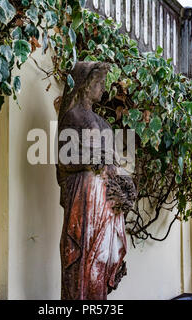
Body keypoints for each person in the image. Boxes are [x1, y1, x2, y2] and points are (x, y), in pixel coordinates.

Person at [56, 61, 136, 299]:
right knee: (85, 258)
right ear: (84, 85)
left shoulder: (103, 123)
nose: (103, 88)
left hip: (106, 200)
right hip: (85, 198)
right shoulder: (73, 116)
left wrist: (125, 185)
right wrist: (92, 160)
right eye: (99, 83)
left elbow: (114, 163)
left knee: (102, 258)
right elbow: (64, 160)